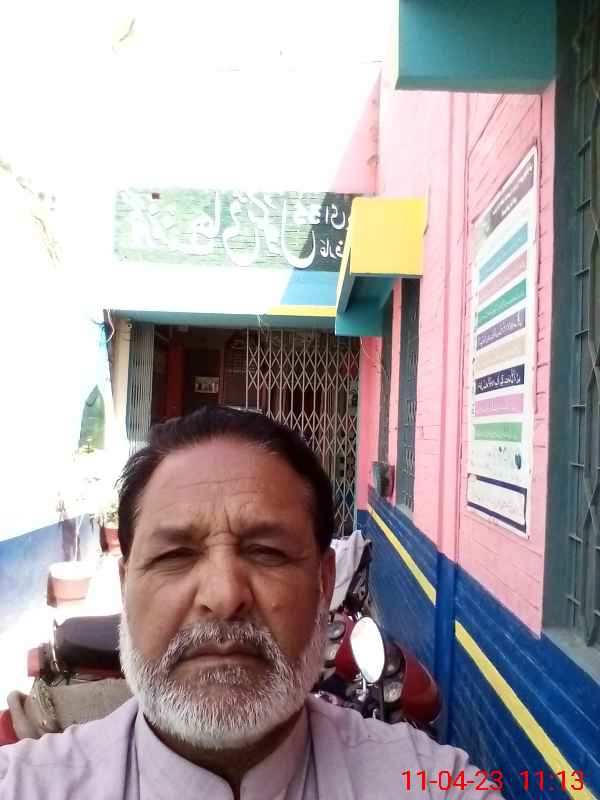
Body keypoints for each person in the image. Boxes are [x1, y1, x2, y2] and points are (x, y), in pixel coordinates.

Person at [0, 407, 505, 799]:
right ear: (125, 583)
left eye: (267, 552)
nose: (224, 597)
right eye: (176, 555)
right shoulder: (24, 785)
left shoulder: (434, 784)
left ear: (324, 582)